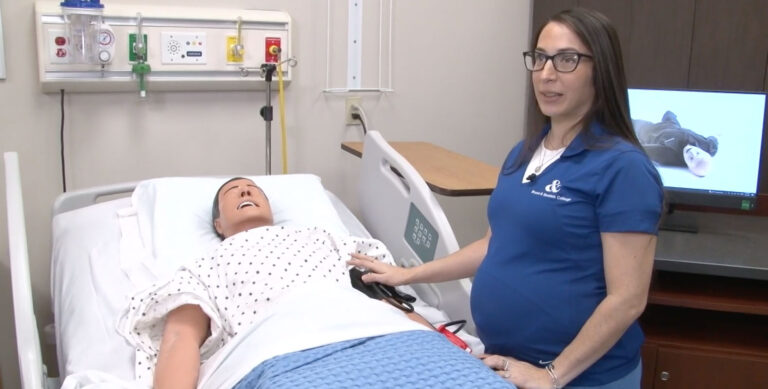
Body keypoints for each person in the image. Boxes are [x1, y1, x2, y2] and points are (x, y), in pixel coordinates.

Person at [349, 8, 663, 389]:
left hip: (581, 377)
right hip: (509, 367)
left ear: (601, 69)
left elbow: (627, 299)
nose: (547, 74)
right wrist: (407, 275)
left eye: (567, 60)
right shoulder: (524, 152)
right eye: (540, 58)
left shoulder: (622, 167)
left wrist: (552, 374)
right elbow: (494, 244)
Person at [118, 177, 508, 389]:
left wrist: (441, 346)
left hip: (384, 337)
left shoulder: (324, 239)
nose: (245, 190)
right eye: (232, 192)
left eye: (254, 188)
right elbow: (179, 339)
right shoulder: (205, 263)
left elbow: (384, 302)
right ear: (218, 225)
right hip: (278, 353)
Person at [633, 110, 719, 176]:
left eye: (691, 158)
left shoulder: (669, 154)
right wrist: (716, 136)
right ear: (704, 151)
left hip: (650, 131)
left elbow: (645, 150)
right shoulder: (709, 147)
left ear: (689, 166)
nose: (691, 152)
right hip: (672, 125)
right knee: (669, 113)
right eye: (697, 152)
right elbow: (713, 142)